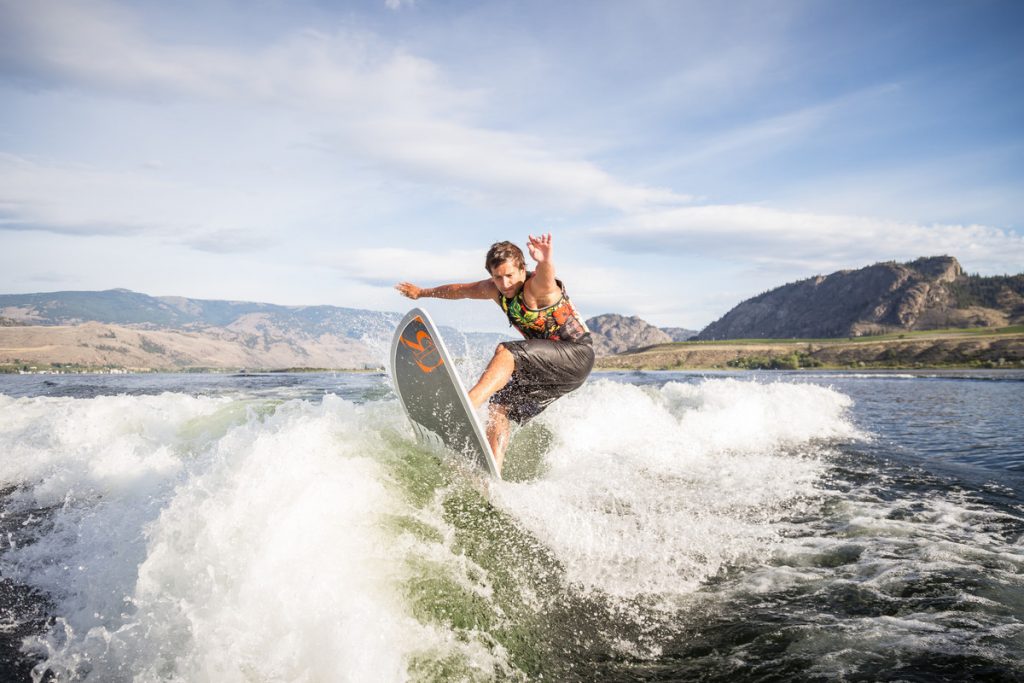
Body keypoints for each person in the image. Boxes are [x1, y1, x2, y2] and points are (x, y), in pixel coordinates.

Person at [395, 233, 594, 473]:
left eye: (510, 275)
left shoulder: (536, 288)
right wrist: (422, 292)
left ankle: (467, 406)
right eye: (498, 277)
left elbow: (547, 277)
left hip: (576, 355)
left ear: (523, 270)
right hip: (556, 372)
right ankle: (492, 474)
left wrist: (545, 260)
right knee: (499, 406)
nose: (505, 283)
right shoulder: (495, 290)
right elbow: (460, 290)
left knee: (506, 351)